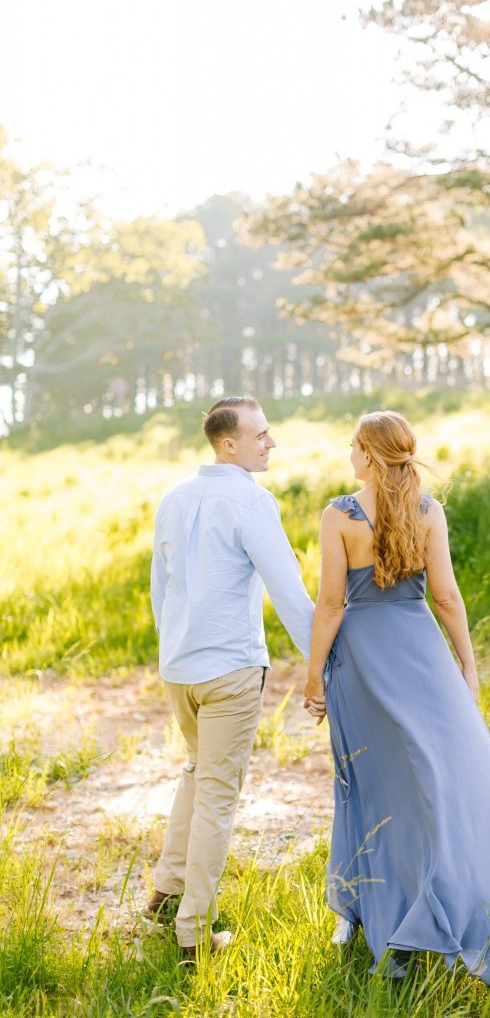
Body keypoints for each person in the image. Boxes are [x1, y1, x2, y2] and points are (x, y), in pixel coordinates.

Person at [303, 410, 490, 982]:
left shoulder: (340, 515)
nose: (350, 455)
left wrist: (312, 677)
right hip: (422, 652)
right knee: (438, 776)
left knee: (372, 783)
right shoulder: (429, 512)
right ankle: (438, 893)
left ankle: (371, 909)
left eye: (355, 446)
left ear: (370, 455)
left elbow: (331, 604)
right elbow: (448, 598)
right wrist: (466, 667)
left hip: (362, 660)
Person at [146, 396, 314, 957]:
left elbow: (161, 589)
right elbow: (287, 589)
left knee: (197, 774)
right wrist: (322, 659)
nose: (270, 443)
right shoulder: (251, 501)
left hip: (181, 670)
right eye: (261, 435)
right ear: (229, 444)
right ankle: (194, 933)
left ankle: (167, 894)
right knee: (218, 794)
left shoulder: (174, 498)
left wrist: (173, 648)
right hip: (230, 672)